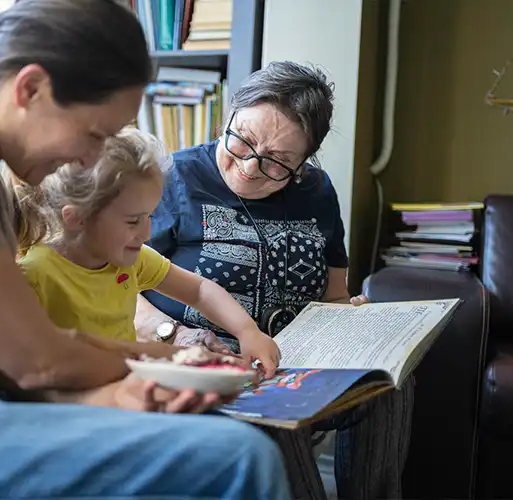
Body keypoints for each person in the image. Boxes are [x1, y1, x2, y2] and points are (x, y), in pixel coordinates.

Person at [0, 2, 291, 499]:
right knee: (234, 458)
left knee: (205, 434)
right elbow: (36, 360)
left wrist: (141, 377)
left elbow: (29, 347)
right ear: (31, 89)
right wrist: (177, 364)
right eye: (94, 134)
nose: (88, 160)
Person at [135, 61, 415, 500]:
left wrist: (353, 326)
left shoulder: (317, 191)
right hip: (210, 366)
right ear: (230, 113)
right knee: (273, 406)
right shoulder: (172, 177)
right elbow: (117, 283)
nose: (249, 167)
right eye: (242, 140)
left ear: (302, 163)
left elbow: (334, 295)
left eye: (278, 163)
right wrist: (176, 334)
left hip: (298, 358)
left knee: (386, 382)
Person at [6, 126, 281, 375]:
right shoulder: (33, 275)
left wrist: (247, 332)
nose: (147, 233)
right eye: (133, 221)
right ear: (77, 218)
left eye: (149, 216)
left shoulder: (130, 258)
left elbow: (199, 291)